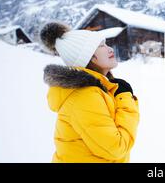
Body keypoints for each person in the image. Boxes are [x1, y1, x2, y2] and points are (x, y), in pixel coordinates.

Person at [40, 22, 139, 163]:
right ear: (88, 57)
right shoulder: (85, 96)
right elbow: (116, 148)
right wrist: (125, 99)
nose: (109, 48)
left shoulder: (98, 90)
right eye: (101, 46)